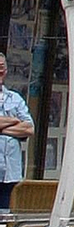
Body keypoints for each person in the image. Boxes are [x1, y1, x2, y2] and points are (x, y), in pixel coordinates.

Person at [0, 70, 33, 206]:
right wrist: (14, 120)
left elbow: (29, 128)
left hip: (10, 172)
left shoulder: (15, 98)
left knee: (4, 216)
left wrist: (2, 127)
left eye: (1, 66)